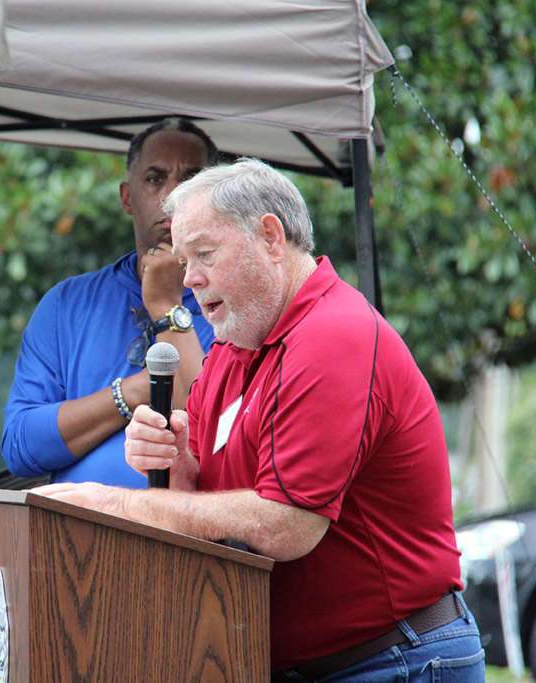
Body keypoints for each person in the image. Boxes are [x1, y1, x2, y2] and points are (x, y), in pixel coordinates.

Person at [36, 159, 484, 681]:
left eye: (204, 254)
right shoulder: (233, 346)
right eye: (184, 261)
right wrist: (178, 470)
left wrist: (122, 504)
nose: (190, 279)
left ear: (271, 236)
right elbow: (209, 511)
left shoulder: (334, 334)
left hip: (392, 659)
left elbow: (286, 523)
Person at [1, 118, 218, 486]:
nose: (171, 197)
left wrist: (167, 307)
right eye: (154, 179)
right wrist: (134, 391)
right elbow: (21, 446)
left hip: (190, 537)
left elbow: (215, 441)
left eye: (191, 179)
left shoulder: (234, 304)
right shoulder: (67, 303)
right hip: (72, 538)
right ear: (126, 198)